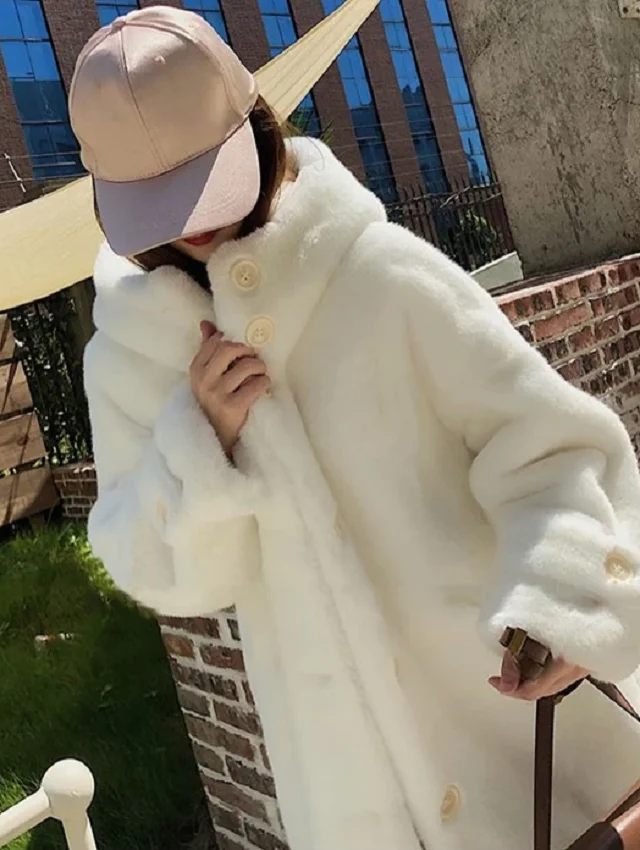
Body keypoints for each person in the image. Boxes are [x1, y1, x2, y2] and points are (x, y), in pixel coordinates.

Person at [68, 7, 640, 849]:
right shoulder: (131, 358)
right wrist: (200, 443)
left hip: (517, 733)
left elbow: (550, 444)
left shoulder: (378, 273)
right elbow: (164, 575)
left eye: (206, 182)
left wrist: (566, 606)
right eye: (159, 205)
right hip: (348, 790)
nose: (191, 224)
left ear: (256, 130)